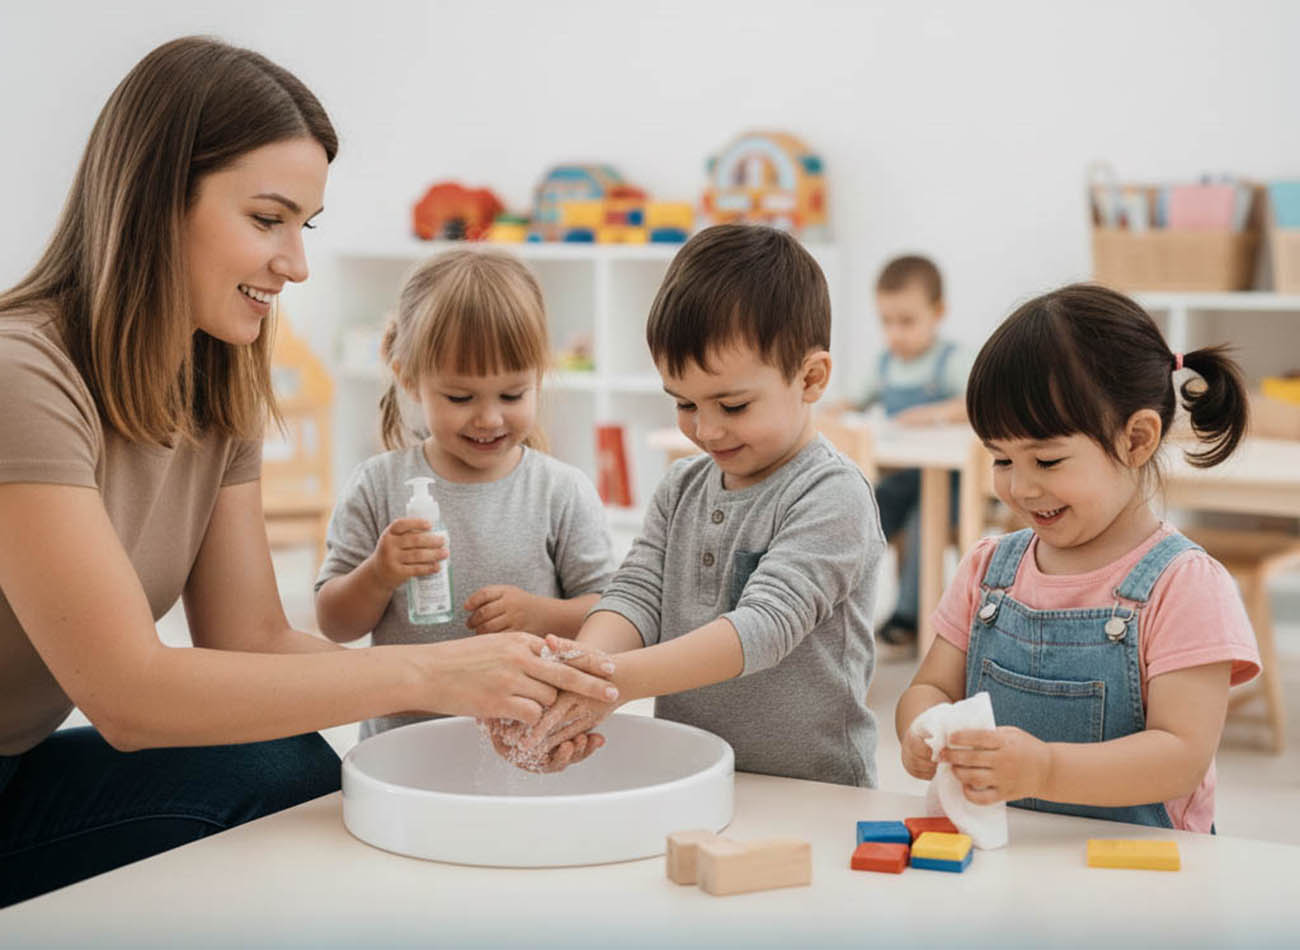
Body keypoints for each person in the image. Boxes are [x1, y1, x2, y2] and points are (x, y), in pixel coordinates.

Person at [0, 37, 614, 907]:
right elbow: (128, 695)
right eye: (266, 219)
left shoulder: (214, 378)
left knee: (295, 770)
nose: (296, 263)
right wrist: (434, 673)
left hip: (16, 768)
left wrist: (496, 699)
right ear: (153, 202)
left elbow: (248, 639)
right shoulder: (21, 374)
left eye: (305, 225)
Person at [493, 224, 885, 787]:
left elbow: (764, 628)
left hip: (812, 785)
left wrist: (613, 681)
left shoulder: (832, 495)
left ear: (811, 378)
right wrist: (580, 670)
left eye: (732, 404)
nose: (706, 429)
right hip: (693, 769)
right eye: (683, 403)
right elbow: (635, 597)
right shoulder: (681, 487)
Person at [895, 284, 1261, 832]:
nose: (1019, 487)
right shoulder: (987, 570)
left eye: (1047, 460)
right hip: (1011, 856)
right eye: (1000, 459)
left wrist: (1044, 768)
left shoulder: (1183, 585)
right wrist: (921, 726)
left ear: (1136, 440)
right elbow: (932, 686)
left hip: (1141, 875)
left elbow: (1181, 756)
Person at [314, 249, 617, 742]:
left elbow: (614, 611)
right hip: (403, 749)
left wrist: (543, 615)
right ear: (409, 377)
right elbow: (335, 623)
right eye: (460, 398)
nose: (489, 419)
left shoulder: (559, 491)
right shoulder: (377, 485)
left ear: (539, 376)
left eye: (513, 395)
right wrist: (378, 574)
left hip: (528, 747)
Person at [852, 255, 972, 650]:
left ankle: (909, 616)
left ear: (938, 313)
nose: (895, 333)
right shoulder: (885, 366)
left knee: (925, 520)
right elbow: (853, 401)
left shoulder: (950, 361)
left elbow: (976, 402)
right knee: (868, 506)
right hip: (904, 478)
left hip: (954, 484)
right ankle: (842, 605)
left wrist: (934, 414)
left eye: (906, 321)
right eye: (886, 322)